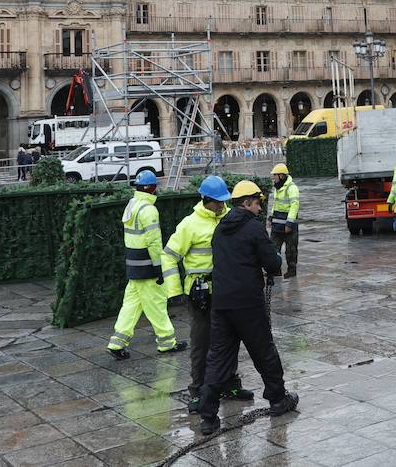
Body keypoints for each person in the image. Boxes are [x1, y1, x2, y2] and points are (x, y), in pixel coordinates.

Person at [198, 181, 298, 436]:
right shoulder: (253, 228)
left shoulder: (220, 228)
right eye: (257, 202)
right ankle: (277, 399)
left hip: (222, 304)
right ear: (246, 203)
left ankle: (207, 417)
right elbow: (273, 262)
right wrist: (272, 260)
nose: (259, 207)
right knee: (264, 351)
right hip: (248, 304)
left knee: (218, 358)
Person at [163, 176, 253, 413]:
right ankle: (198, 391)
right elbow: (169, 256)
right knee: (201, 344)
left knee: (230, 340)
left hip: (226, 291)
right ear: (206, 200)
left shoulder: (228, 219)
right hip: (200, 295)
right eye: (218, 202)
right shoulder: (189, 225)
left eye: (225, 202)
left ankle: (230, 385)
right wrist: (175, 291)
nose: (223, 206)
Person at [108, 170, 187, 359]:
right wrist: (159, 267)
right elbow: (154, 242)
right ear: (152, 188)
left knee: (131, 305)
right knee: (157, 305)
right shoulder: (149, 209)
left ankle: (116, 343)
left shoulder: (132, 205)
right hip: (147, 267)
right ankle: (167, 343)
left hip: (133, 266)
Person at [269, 163, 300, 278]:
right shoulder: (278, 187)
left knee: (290, 250)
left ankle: (292, 270)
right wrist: (271, 217)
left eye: (275, 175)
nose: (274, 177)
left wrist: (289, 223)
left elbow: (294, 205)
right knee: (273, 248)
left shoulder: (291, 188)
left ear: (281, 175)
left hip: (288, 225)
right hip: (277, 224)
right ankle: (276, 270)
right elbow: (276, 204)